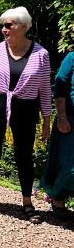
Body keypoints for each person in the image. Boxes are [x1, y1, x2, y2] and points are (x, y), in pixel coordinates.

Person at [0, 7, 51, 224]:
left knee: (24, 156)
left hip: (26, 108)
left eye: (9, 25)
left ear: (23, 26)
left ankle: (27, 203)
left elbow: (45, 90)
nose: (4, 29)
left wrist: (47, 120)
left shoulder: (41, 54)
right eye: (2, 26)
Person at [41, 51, 74, 221]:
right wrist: (62, 117)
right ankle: (57, 197)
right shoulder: (72, 58)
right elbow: (60, 89)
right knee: (70, 167)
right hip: (70, 122)